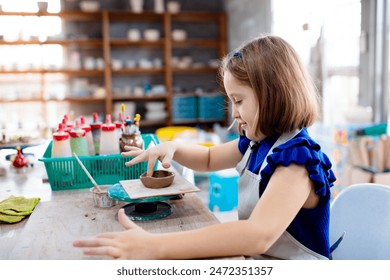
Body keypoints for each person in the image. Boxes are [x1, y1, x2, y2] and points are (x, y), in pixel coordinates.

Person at [73, 35, 336, 260]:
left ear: (273, 96)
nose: (234, 113)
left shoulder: (298, 161)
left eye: (239, 101)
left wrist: (157, 246)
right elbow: (209, 158)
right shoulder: (258, 144)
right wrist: (173, 146)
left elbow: (257, 235)